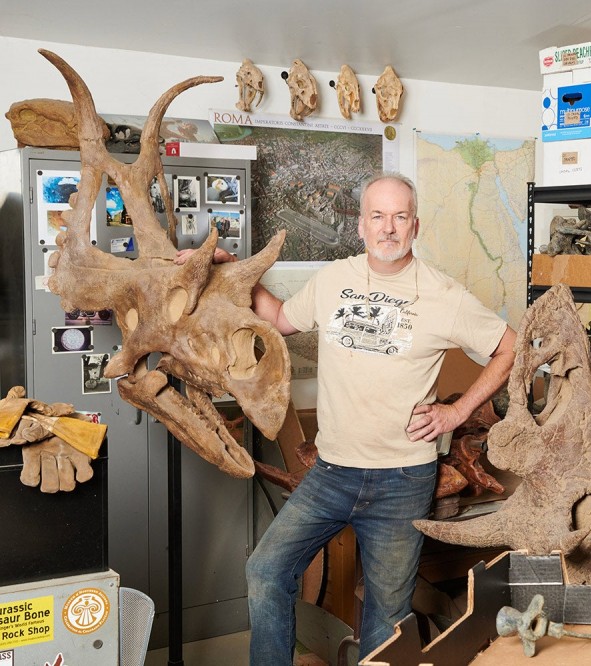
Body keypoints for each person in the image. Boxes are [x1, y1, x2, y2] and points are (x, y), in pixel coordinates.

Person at [178, 172, 516, 663]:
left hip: (403, 478)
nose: (388, 228)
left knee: (387, 613)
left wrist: (456, 411)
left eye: (400, 217)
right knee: (266, 571)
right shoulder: (334, 280)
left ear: (415, 226)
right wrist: (227, 272)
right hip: (332, 472)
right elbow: (277, 319)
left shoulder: (444, 296)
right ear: (360, 225)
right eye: (377, 216)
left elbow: (509, 348)